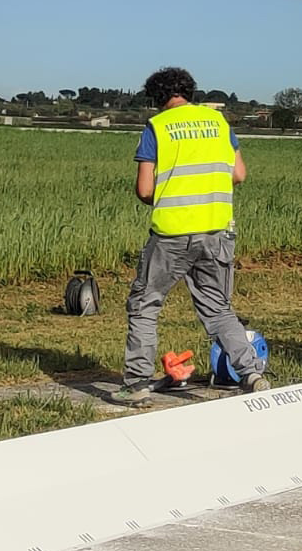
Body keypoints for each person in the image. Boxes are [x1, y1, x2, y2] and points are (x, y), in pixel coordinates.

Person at [111, 66, 269, 404]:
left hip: (172, 233)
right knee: (219, 310)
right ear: (190, 92)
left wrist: (172, 193)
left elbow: (143, 189)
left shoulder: (157, 127)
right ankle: (251, 373)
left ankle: (136, 383)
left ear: (157, 97)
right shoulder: (219, 122)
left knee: (145, 305)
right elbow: (239, 174)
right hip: (217, 230)